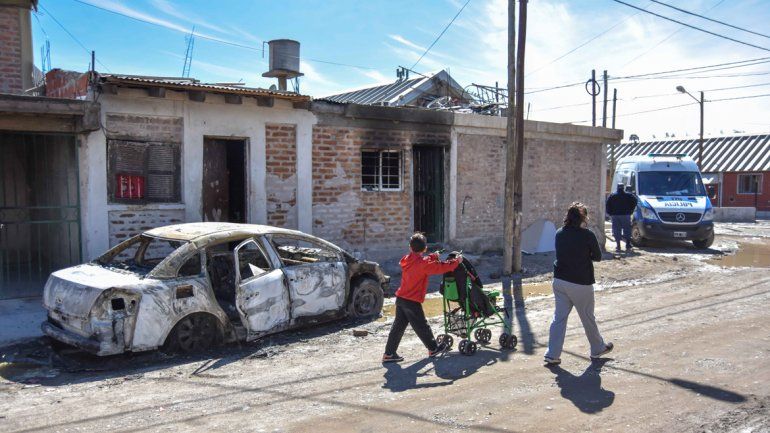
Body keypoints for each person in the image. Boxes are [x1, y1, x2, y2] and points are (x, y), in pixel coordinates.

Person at [544, 202, 613, 366]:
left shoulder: (559, 233)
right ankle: (597, 348)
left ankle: (552, 354)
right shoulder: (587, 235)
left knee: (558, 319)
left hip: (560, 280)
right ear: (583, 218)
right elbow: (597, 256)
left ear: (567, 217)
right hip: (580, 282)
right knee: (587, 317)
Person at [383, 233, 462, 363]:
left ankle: (389, 354)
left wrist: (433, 256)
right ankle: (433, 348)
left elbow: (421, 261)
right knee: (422, 326)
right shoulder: (423, 264)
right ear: (425, 248)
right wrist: (456, 262)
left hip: (401, 298)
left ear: (410, 247)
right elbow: (441, 267)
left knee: (398, 327)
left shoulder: (407, 259)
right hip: (412, 301)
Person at [605, 183, 638, 252]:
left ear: (617, 188)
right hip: (626, 215)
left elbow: (607, 205)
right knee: (627, 229)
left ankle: (618, 246)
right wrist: (631, 210)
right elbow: (635, 201)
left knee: (616, 230)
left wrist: (610, 213)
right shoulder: (629, 195)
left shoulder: (613, 195)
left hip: (615, 216)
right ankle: (628, 245)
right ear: (623, 188)